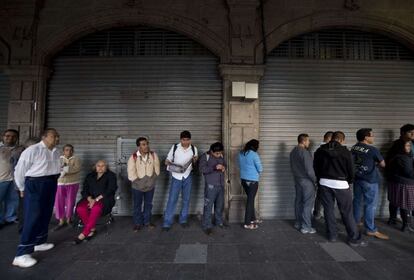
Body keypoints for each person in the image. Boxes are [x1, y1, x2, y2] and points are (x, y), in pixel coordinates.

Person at [12, 128, 61, 268]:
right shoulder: (32, 150)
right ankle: (21, 254)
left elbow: (56, 167)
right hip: (35, 184)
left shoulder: (56, 151)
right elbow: (19, 170)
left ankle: (40, 242)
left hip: (50, 182)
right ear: (44, 137)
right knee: (32, 216)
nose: (57, 138)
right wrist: (22, 188)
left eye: (58, 136)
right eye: (54, 136)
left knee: (45, 214)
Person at [314, 131, 367, 246]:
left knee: (328, 210)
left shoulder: (320, 151)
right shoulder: (345, 152)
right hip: (341, 184)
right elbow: (351, 170)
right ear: (342, 140)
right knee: (347, 212)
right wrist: (349, 181)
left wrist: (320, 179)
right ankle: (354, 238)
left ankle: (332, 235)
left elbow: (316, 167)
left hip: (324, 183)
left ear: (332, 138)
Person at [351, 128, 388, 239]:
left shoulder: (354, 147)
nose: (373, 137)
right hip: (369, 180)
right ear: (366, 137)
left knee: (357, 201)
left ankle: (355, 222)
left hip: (357, 178)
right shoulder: (372, 149)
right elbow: (383, 164)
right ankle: (371, 229)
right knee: (370, 205)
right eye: (372, 135)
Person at [73, 160, 117, 244]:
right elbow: (84, 190)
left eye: (103, 165)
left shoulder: (111, 176)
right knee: (80, 208)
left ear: (106, 167)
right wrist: (90, 199)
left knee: (96, 208)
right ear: (95, 167)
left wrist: (96, 200)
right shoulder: (90, 176)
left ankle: (84, 233)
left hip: (104, 199)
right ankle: (92, 229)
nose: (100, 167)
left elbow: (111, 190)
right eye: (98, 165)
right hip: (89, 199)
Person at [162, 130, 198, 231]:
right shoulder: (175, 148)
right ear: (180, 139)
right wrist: (167, 162)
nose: (185, 142)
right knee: (172, 200)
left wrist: (195, 160)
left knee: (186, 200)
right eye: (183, 140)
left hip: (188, 176)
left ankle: (183, 220)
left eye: (187, 140)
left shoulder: (194, 149)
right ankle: (167, 222)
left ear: (190, 140)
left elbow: (195, 162)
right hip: (176, 177)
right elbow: (168, 160)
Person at [127, 137, 160, 231]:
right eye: (143, 144)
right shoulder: (133, 157)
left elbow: (157, 170)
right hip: (137, 187)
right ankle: (137, 223)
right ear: (139, 146)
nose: (146, 146)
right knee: (137, 205)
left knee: (148, 204)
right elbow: (131, 174)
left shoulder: (153, 155)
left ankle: (147, 222)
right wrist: (139, 183)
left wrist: (151, 180)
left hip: (150, 186)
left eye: (146, 144)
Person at [385, 124, 414, 224]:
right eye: (410, 132)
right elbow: (404, 166)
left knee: (396, 199)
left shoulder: (411, 143)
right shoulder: (398, 145)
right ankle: (405, 224)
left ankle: (393, 219)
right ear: (402, 133)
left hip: (400, 177)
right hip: (403, 178)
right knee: (403, 201)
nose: (413, 134)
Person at [290, 134, 317, 234]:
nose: (309, 143)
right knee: (307, 203)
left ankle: (298, 223)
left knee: (298, 202)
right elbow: (309, 170)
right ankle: (306, 227)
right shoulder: (304, 152)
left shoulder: (293, 151)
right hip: (306, 181)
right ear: (304, 141)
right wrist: (315, 180)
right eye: (308, 141)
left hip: (297, 180)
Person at [199, 142, 227, 235]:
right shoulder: (205, 157)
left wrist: (223, 167)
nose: (219, 155)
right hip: (210, 186)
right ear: (211, 151)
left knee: (219, 206)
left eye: (220, 153)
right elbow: (202, 169)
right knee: (208, 206)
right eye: (216, 153)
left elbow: (225, 165)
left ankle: (218, 221)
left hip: (221, 185)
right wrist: (214, 167)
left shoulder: (221, 155)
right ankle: (207, 226)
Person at [53, 144, 81, 231]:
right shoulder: (59, 159)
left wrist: (65, 169)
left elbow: (76, 169)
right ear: (63, 151)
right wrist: (65, 169)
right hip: (60, 183)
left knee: (70, 202)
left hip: (73, 183)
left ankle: (69, 219)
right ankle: (61, 220)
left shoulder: (77, 159)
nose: (69, 152)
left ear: (73, 151)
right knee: (59, 202)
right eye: (66, 150)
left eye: (70, 150)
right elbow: (56, 169)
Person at [0, 129, 24, 229]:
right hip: (1, 179)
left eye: (13, 136)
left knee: (13, 200)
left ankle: (10, 217)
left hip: (14, 180)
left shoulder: (21, 149)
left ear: (17, 138)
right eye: (8, 136)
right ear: (3, 137)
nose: (10, 138)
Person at [239, 139, 263, 230]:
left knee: (250, 199)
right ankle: (247, 223)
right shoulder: (254, 155)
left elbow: (239, 165)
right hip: (252, 181)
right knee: (250, 201)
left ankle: (253, 219)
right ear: (255, 146)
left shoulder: (241, 153)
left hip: (243, 180)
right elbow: (260, 169)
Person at [313, 131, 334, 219]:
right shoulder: (327, 149)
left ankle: (317, 214)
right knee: (329, 198)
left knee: (319, 196)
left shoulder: (318, 149)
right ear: (329, 139)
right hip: (328, 177)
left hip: (320, 177)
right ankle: (326, 215)